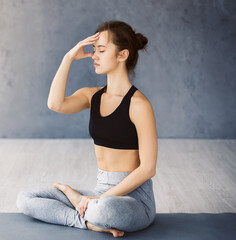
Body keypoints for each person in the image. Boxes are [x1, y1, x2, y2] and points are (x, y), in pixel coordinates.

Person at [16, 20, 157, 238]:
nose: (94, 56)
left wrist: (96, 200)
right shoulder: (92, 96)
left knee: (104, 209)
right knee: (26, 198)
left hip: (134, 199)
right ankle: (88, 222)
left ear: (122, 55)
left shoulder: (139, 105)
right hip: (99, 191)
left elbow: (147, 169)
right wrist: (68, 57)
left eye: (101, 50)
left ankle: (84, 208)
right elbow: (55, 104)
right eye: (94, 50)